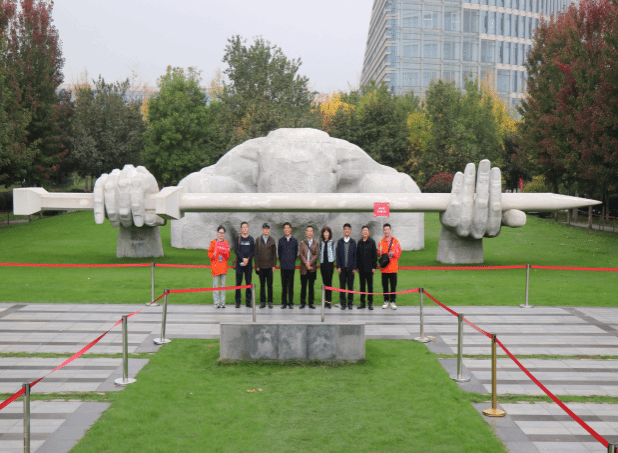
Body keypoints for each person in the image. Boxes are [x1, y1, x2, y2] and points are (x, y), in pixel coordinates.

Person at [378, 223, 402, 309]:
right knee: (385, 286)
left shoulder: (395, 241)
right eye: (385, 230)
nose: (386, 231)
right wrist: (379, 251)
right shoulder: (381, 242)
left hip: (393, 268)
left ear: (390, 230)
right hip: (384, 268)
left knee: (393, 286)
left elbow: (399, 253)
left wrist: (393, 253)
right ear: (383, 231)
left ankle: (392, 301)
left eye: (387, 229)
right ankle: (386, 301)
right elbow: (379, 255)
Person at [207, 225, 230, 308]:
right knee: (216, 286)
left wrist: (228, 251)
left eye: (222, 233)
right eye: (220, 233)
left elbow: (227, 257)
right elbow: (209, 254)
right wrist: (213, 254)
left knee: (223, 286)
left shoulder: (225, 243)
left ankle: (222, 302)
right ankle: (216, 302)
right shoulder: (214, 242)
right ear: (217, 233)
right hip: (216, 267)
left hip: (223, 267)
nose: (221, 234)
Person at [255, 223, 276, 309]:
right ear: (262, 230)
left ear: (269, 230)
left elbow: (274, 254)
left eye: (267, 229)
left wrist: (274, 265)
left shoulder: (272, 240)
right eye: (264, 229)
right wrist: (257, 265)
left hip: (270, 266)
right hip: (261, 267)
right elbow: (256, 254)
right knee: (262, 285)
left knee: (270, 285)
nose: (266, 230)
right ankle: (263, 302)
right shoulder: (258, 240)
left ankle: (270, 302)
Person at [336, 223, 357, 310]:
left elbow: (355, 256)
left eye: (348, 229)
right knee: (342, 287)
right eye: (345, 229)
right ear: (343, 231)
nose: (347, 230)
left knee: (350, 287)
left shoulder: (353, 242)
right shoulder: (340, 242)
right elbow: (338, 255)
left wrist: (354, 267)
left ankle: (350, 303)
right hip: (342, 269)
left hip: (351, 269)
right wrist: (338, 266)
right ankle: (343, 303)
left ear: (350, 231)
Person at [234, 221, 255, 308]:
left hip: (248, 265)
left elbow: (253, 251)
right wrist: (243, 258)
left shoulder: (251, 239)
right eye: (243, 227)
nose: (245, 229)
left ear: (248, 228)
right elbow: (236, 250)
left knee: (248, 283)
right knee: (238, 283)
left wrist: (248, 258)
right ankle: (238, 302)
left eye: (246, 227)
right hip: (240, 264)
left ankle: (248, 302)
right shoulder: (238, 238)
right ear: (241, 229)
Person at [356, 226, 377, 310]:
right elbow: (357, 256)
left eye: (366, 230)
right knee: (362, 286)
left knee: (370, 286)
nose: (365, 232)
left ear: (369, 232)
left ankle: (370, 303)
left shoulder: (372, 242)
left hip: (369, 268)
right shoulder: (359, 242)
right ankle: (362, 303)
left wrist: (374, 267)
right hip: (361, 268)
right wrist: (357, 267)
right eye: (363, 230)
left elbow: (374, 256)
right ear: (362, 232)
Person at [278, 222, 298, 309]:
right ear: (283, 230)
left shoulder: (294, 240)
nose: (287, 229)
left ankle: (290, 302)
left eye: (288, 228)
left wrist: (292, 261)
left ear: (291, 229)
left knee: (290, 285)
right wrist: (282, 262)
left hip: (291, 266)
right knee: (283, 285)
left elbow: (295, 253)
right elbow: (279, 253)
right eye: (285, 228)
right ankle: (284, 302)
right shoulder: (281, 240)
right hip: (283, 266)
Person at [298, 225, 319, 309]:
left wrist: (310, 263)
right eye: (308, 231)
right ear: (306, 232)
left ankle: (311, 303)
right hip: (303, 268)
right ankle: (302, 303)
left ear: (313, 233)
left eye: (311, 231)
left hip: (312, 269)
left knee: (311, 287)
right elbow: (300, 254)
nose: (309, 232)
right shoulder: (302, 243)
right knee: (303, 286)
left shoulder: (316, 243)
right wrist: (306, 263)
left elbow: (316, 254)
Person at [319, 226, 336, 309]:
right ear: (322, 234)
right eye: (324, 232)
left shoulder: (332, 242)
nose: (326, 234)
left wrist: (332, 260)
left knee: (329, 283)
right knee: (325, 283)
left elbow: (334, 253)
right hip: (323, 265)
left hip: (330, 265)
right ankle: (325, 301)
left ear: (329, 233)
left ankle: (328, 302)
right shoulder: (321, 243)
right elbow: (320, 253)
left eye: (327, 232)